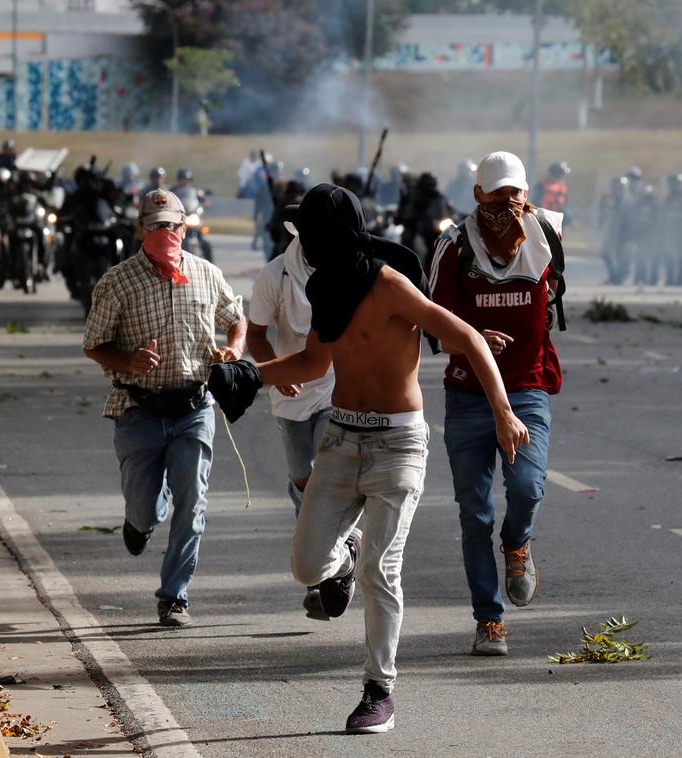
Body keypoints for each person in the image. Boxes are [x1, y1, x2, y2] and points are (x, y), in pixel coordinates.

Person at [224, 183, 528, 734]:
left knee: (380, 571)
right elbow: (314, 364)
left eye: (311, 236)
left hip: (398, 444)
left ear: (331, 237)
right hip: (340, 440)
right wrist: (248, 375)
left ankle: (377, 691)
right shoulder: (327, 289)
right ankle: (348, 549)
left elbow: (469, 340)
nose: (305, 247)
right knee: (307, 568)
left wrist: (504, 413)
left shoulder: (390, 285)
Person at [82, 188, 246, 628]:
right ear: (140, 229)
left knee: (192, 502)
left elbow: (237, 317)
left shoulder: (207, 274)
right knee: (146, 506)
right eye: (154, 225)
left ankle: (174, 597)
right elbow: (93, 345)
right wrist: (129, 360)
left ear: (184, 228)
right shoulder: (117, 282)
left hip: (194, 408)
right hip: (138, 409)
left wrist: (232, 349)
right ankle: (139, 522)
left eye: (170, 225)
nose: (163, 232)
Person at [426, 150, 562, 657]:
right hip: (468, 395)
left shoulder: (547, 235)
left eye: (516, 191)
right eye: (498, 192)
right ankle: (489, 619)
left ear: (527, 193)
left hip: (527, 389)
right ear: (478, 194)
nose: (509, 201)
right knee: (474, 514)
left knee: (526, 488)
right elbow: (431, 321)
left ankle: (518, 544)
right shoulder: (453, 245)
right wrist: (472, 338)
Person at [246, 227, 334, 618]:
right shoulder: (275, 274)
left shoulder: (344, 268)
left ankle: (325, 575)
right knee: (305, 480)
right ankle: (318, 554)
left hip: (335, 388)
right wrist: (275, 373)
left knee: (331, 479)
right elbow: (255, 334)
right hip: (290, 393)